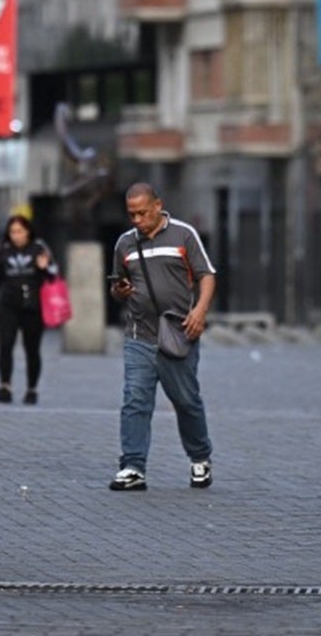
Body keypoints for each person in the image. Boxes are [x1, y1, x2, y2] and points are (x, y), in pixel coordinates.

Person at [107, 182, 216, 492]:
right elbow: (118, 286)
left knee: (186, 401)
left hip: (179, 332)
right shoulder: (125, 244)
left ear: (157, 206)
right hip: (139, 334)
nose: (137, 220)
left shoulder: (184, 234)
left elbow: (207, 275)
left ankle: (200, 456)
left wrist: (200, 312)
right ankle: (133, 466)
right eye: (132, 215)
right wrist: (120, 291)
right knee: (135, 400)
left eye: (142, 213)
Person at [0, 214, 56, 405]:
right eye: (12, 232)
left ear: (28, 232)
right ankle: (5, 386)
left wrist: (44, 267)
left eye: (19, 231)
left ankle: (31, 389)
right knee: (6, 345)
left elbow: (53, 277)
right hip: (9, 305)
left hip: (33, 307)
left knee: (32, 349)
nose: (16, 235)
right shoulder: (5, 251)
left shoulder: (39, 249)